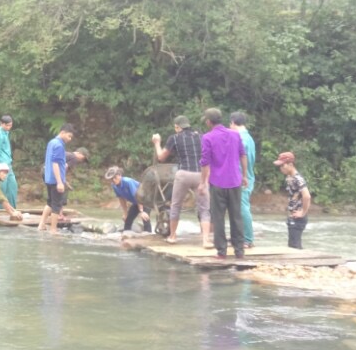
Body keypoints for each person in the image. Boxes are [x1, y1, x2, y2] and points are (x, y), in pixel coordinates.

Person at [152, 116, 212, 246]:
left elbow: (161, 157)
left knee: (176, 206)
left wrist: (157, 142)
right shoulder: (201, 136)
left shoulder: (174, 138)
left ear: (177, 127)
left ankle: (173, 236)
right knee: (204, 208)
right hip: (200, 174)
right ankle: (206, 240)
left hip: (183, 174)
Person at [199, 108, 249, 259]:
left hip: (218, 183)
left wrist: (202, 183)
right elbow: (243, 155)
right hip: (235, 181)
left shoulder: (208, 137)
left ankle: (222, 252)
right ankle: (239, 251)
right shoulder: (235, 134)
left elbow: (205, 163)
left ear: (208, 121)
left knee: (218, 217)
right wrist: (244, 176)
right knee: (236, 216)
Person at [39, 123, 75, 233]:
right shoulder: (59, 145)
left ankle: (41, 225)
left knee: (49, 202)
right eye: (69, 136)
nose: (69, 139)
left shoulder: (52, 142)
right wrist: (60, 182)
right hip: (55, 180)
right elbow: (55, 164)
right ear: (62, 132)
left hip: (49, 178)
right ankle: (53, 230)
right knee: (56, 205)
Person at [273, 152, 311, 249]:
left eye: (282, 165)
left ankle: (300, 263)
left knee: (295, 245)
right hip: (292, 215)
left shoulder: (298, 178)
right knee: (292, 244)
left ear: (290, 164)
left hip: (298, 217)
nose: (281, 168)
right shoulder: (289, 178)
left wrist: (303, 212)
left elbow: (307, 196)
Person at [231, 111, 257, 248]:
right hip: (247, 176)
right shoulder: (249, 138)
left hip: (241, 177)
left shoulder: (239, 138)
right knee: (238, 207)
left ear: (233, 122)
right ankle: (240, 236)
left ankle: (247, 239)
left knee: (242, 207)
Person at [105, 166, 151, 233]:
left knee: (145, 218)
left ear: (120, 175)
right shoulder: (114, 186)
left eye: (115, 178)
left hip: (145, 200)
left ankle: (148, 236)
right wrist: (125, 213)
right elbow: (121, 199)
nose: (113, 180)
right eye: (111, 179)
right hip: (136, 202)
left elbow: (138, 196)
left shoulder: (128, 182)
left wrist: (141, 211)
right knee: (127, 220)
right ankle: (126, 236)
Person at [0, 115, 18, 208]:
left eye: (10, 125)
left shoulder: (6, 132)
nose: (9, 127)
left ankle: (13, 208)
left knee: (13, 186)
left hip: (8, 164)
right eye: (7, 125)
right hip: (1, 165)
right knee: (2, 188)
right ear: (2, 124)